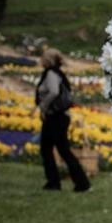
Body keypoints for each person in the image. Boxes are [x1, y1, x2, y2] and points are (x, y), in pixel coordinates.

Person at [35, 48, 90, 192]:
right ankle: (81, 182)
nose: (41, 59)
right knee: (63, 150)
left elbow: (54, 91)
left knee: (47, 149)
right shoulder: (58, 73)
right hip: (60, 116)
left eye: (43, 57)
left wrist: (43, 107)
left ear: (48, 60)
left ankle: (54, 182)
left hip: (55, 117)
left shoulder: (51, 73)